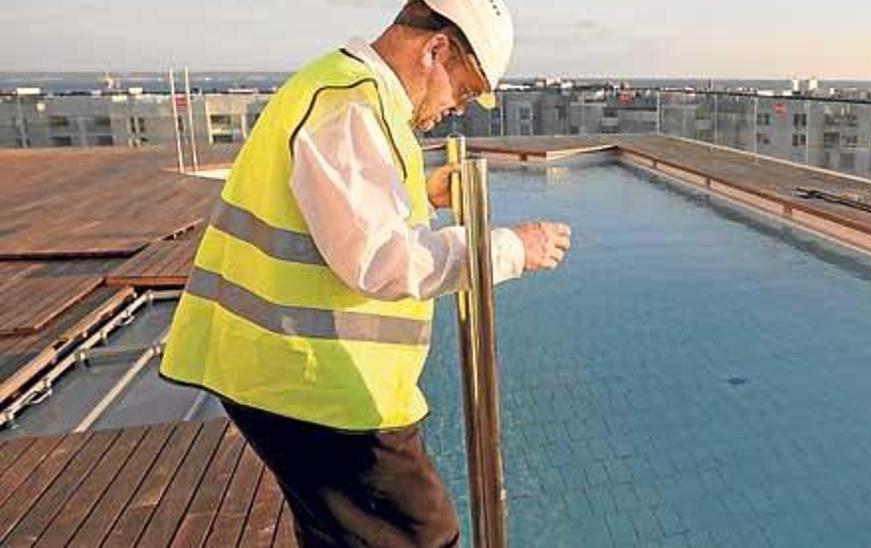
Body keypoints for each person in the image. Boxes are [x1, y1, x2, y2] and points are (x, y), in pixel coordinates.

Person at [159, 1, 571, 545]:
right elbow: (381, 259)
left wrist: (422, 193)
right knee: (424, 535)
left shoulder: (344, 91)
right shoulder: (349, 105)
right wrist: (512, 249)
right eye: (465, 90)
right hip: (315, 386)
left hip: (280, 373)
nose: (456, 108)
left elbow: (328, 214)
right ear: (437, 48)